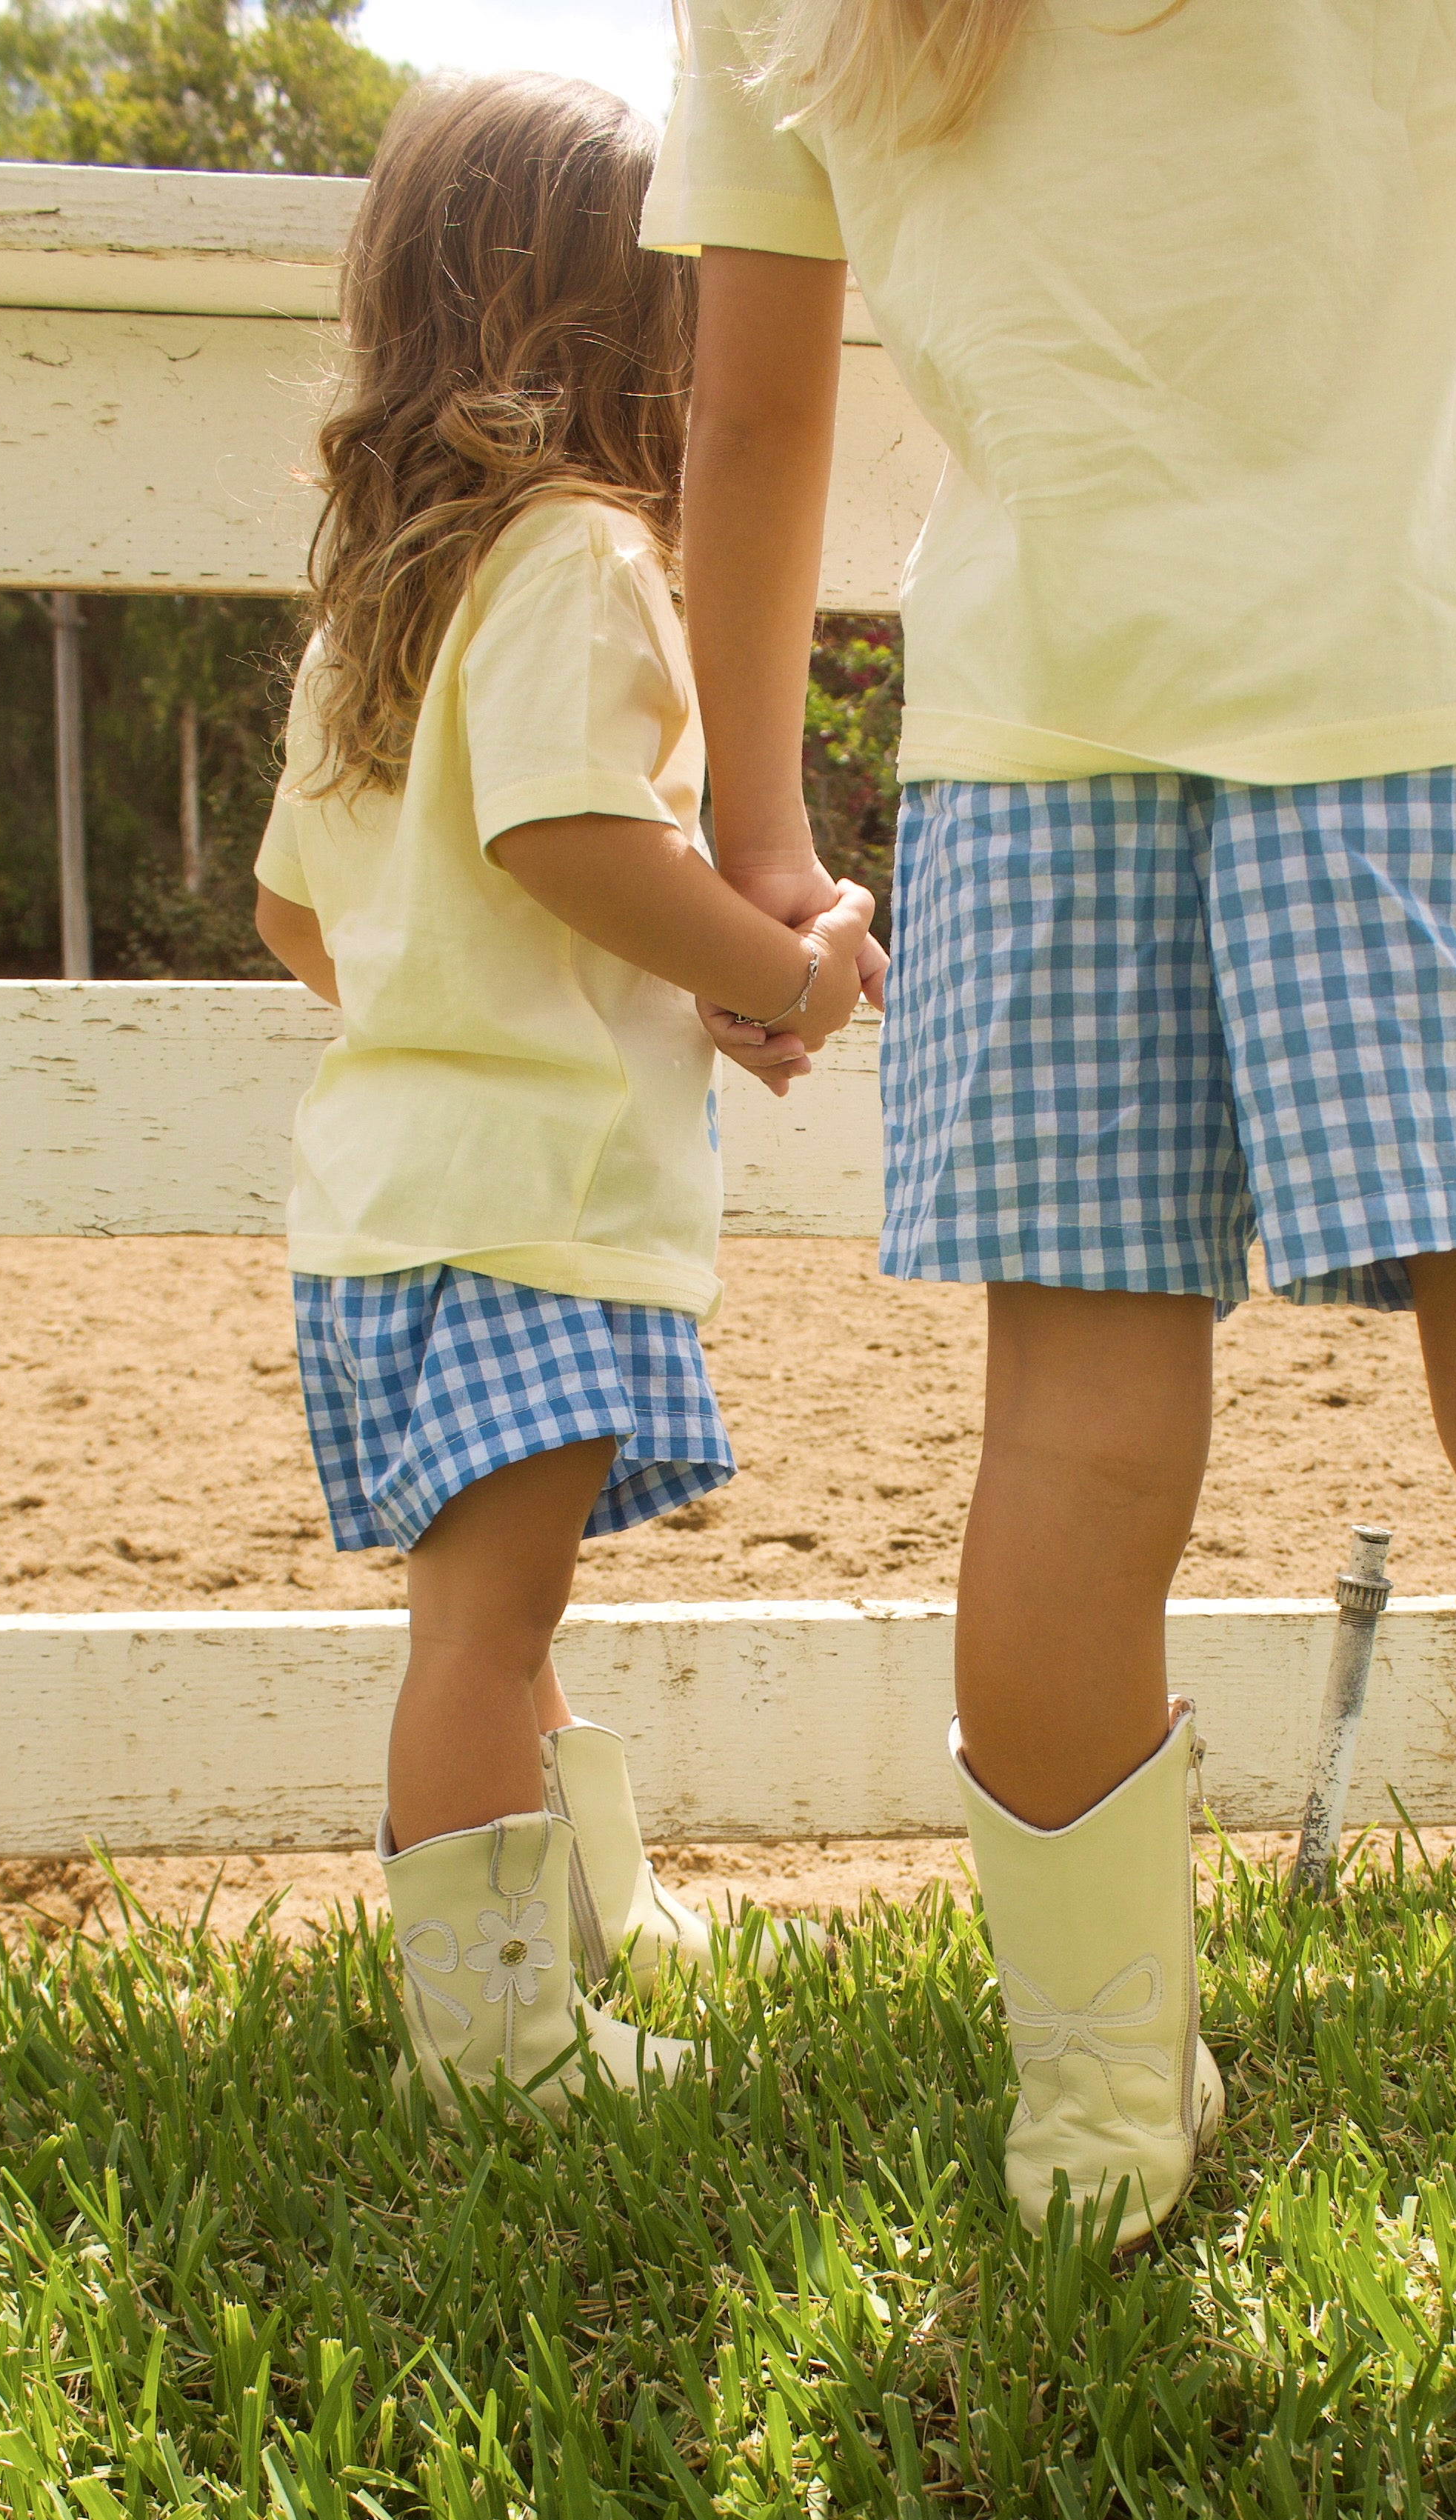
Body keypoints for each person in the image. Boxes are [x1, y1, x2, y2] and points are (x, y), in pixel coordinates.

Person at [647, 0, 1456, 2313]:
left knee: (1076, 1437)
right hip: (1436, 685)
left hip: (1038, 745)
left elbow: (751, 404)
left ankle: (1096, 2136)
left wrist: (753, 830)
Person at [255, 70, 876, 2110]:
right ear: (627, 316)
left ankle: (591, 1913)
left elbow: (298, 912)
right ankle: (494, 2036)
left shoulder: (387, 592)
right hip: (526, 1201)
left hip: (397, 1200)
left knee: (508, 1620)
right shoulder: (588, 558)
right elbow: (572, 840)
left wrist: (475, 991)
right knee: (486, 1624)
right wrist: (772, 966)